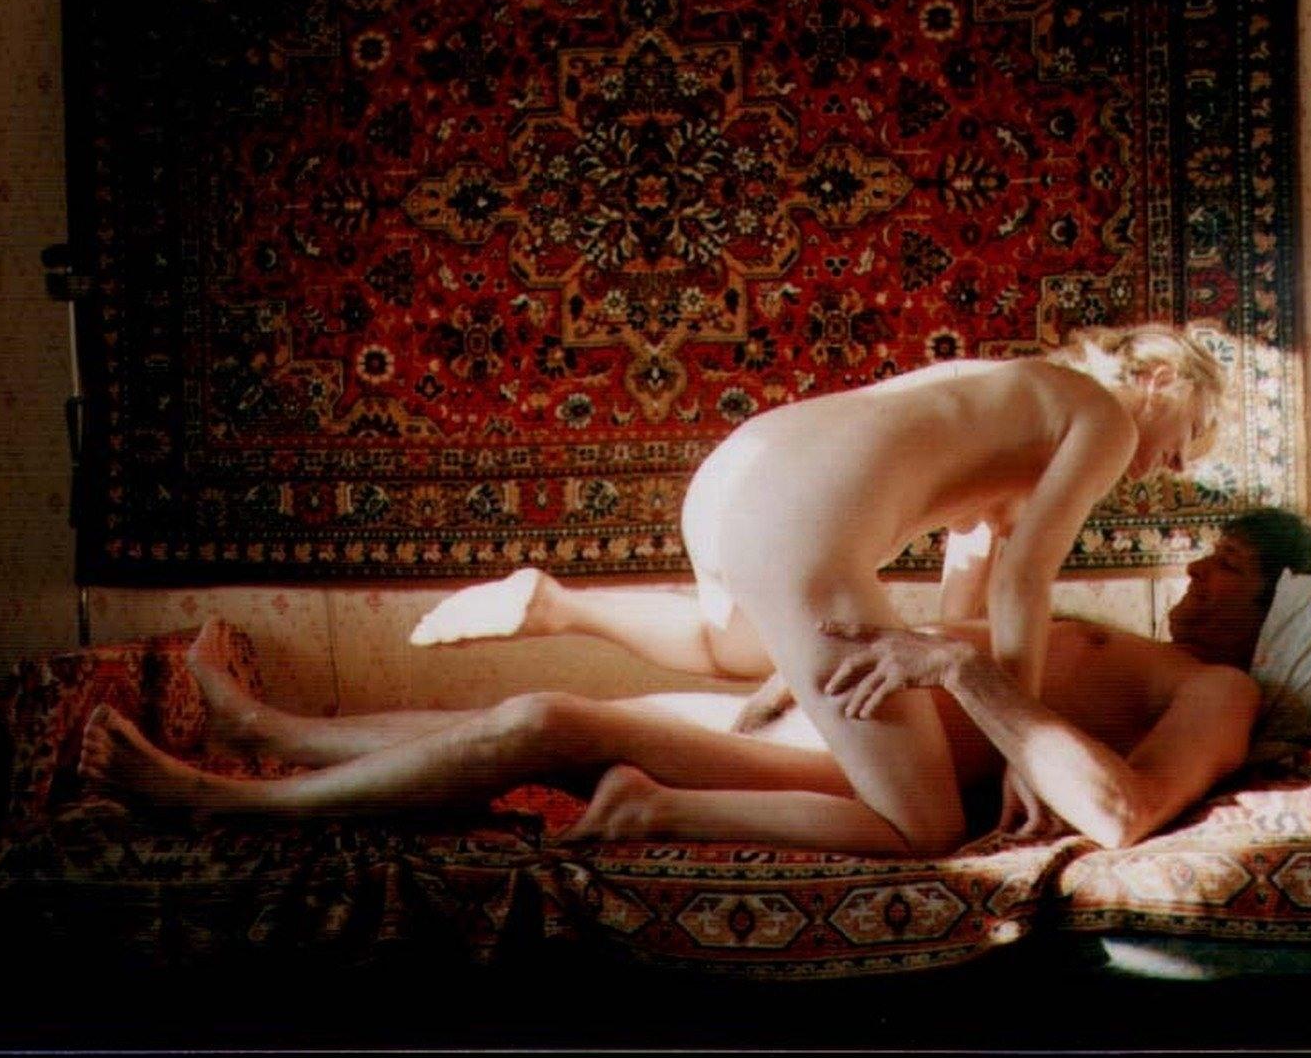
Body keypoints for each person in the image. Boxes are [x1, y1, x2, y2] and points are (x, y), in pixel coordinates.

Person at [80, 506, 1311, 855]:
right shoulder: (1135, 646)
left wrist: (961, 664)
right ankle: (278, 729)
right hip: (839, 720)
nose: (1196, 573)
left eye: (1228, 568)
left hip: (867, 764)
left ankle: (230, 800)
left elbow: (1122, 810)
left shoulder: (1219, 694)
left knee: (550, 718)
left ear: (1274, 607)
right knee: (531, 714)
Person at [398, 323, 1225, 854]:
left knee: (732, 648)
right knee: (924, 826)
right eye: (1186, 439)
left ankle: (562, 605)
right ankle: (648, 808)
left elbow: (965, 601)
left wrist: (967, 698)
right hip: (799, 521)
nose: (1171, 467)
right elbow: (1024, 580)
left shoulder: (1012, 395)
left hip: (736, 478)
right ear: (1157, 377)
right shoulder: (1103, 417)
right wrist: (1024, 749)